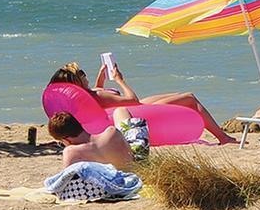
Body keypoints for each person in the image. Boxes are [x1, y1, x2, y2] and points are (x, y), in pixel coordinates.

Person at [50, 61, 237, 145]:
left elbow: (99, 96)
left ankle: (222, 136)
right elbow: (132, 100)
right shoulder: (97, 96)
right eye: (81, 74)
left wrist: (101, 79)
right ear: (77, 82)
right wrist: (120, 80)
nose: (85, 75)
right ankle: (222, 137)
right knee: (189, 98)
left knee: (179, 96)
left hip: (132, 110)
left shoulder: (85, 97)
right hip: (136, 111)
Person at [46, 111, 136, 172]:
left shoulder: (71, 152)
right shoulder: (112, 131)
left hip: (120, 181)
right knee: (120, 111)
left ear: (66, 140)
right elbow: (131, 155)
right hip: (136, 165)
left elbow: (68, 179)